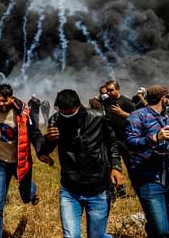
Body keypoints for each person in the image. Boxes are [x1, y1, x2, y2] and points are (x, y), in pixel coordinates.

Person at [40, 89, 125, 238]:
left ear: (79, 106)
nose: (67, 115)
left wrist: (116, 168)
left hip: (97, 188)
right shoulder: (55, 120)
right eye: (63, 112)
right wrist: (48, 139)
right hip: (70, 189)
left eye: (71, 112)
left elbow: (112, 144)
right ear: (57, 108)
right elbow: (44, 152)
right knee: (71, 236)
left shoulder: (98, 118)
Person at [0, 84, 44, 238]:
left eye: (4, 100)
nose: (1, 104)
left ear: (11, 98)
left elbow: (35, 133)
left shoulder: (23, 112)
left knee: (25, 197)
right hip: (0, 163)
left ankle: (32, 189)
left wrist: (41, 152)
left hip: (20, 163)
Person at [125, 84, 169, 238]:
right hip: (149, 178)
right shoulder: (138, 115)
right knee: (161, 230)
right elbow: (130, 142)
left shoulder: (167, 117)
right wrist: (154, 139)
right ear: (163, 98)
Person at [104, 80, 136, 174]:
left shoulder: (126, 101)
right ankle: (119, 187)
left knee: (131, 165)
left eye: (111, 90)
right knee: (113, 166)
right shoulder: (106, 102)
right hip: (112, 138)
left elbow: (137, 119)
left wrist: (122, 113)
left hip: (126, 139)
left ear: (118, 89)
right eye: (107, 91)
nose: (109, 93)